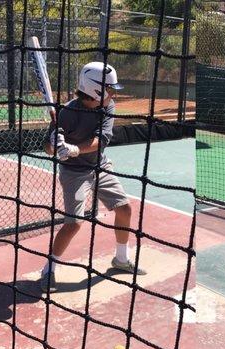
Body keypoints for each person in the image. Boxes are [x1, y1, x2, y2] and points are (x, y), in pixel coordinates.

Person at [41, 61, 146, 293]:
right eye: (109, 90)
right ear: (95, 91)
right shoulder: (67, 113)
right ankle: (48, 269)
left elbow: (102, 141)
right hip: (74, 173)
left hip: (99, 166)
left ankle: (121, 259)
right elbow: (47, 147)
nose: (112, 94)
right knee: (74, 224)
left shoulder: (107, 107)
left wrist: (74, 148)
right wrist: (55, 145)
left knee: (124, 208)